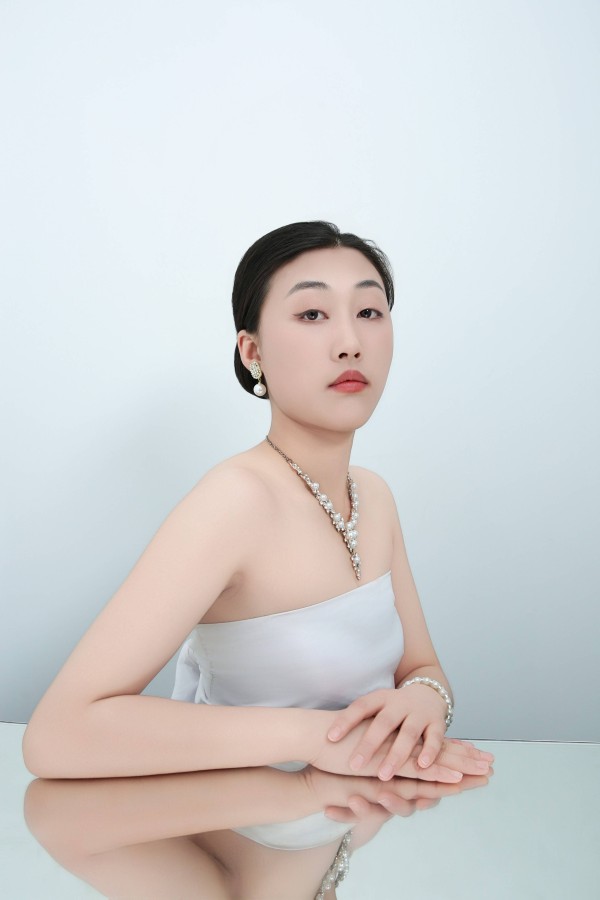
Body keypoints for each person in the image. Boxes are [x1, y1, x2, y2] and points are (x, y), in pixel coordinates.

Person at [23, 221, 493, 898]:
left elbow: (421, 666)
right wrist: (320, 738)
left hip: (349, 824)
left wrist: (424, 701)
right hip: (245, 833)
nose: (349, 341)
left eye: (369, 311)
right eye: (312, 314)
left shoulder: (375, 496)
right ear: (253, 352)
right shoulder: (234, 501)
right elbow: (58, 735)